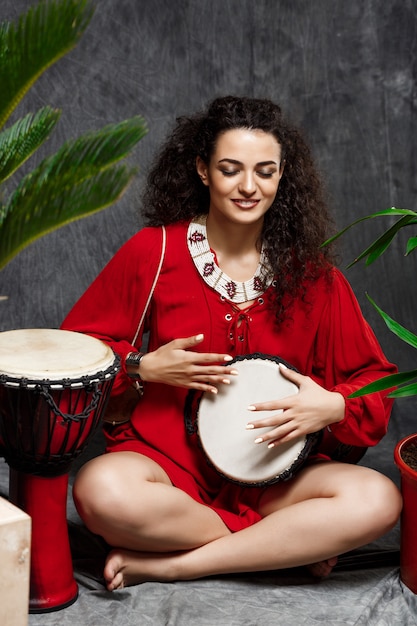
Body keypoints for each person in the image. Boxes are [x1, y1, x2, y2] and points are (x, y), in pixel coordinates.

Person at [61, 95, 402, 591]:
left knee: (379, 500)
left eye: (265, 171)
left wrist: (333, 405)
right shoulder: (153, 252)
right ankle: (280, 549)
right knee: (99, 491)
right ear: (202, 169)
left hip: (278, 479)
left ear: (283, 175)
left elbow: (377, 382)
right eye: (230, 169)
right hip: (167, 467)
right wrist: (142, 368)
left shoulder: (314, 277)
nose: (248, 186)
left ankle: (181, 563)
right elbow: (75, 352)